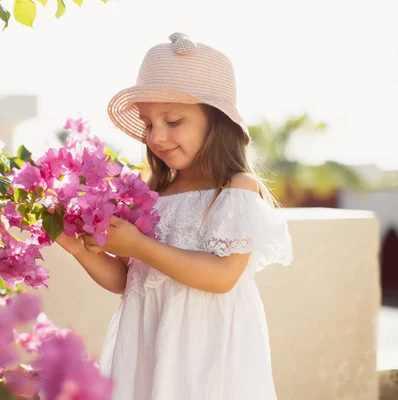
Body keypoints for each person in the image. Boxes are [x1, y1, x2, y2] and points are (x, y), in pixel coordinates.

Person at [56, 32, 293, 400]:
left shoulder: (234, 189)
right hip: (150, 344)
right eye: (149, 124)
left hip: (206, 353)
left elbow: (222, 276)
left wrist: (140, 245)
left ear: (216, 122)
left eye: (173, 120)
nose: (157, 136)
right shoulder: (151, 196)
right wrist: (80, 249)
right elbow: (126, 279)